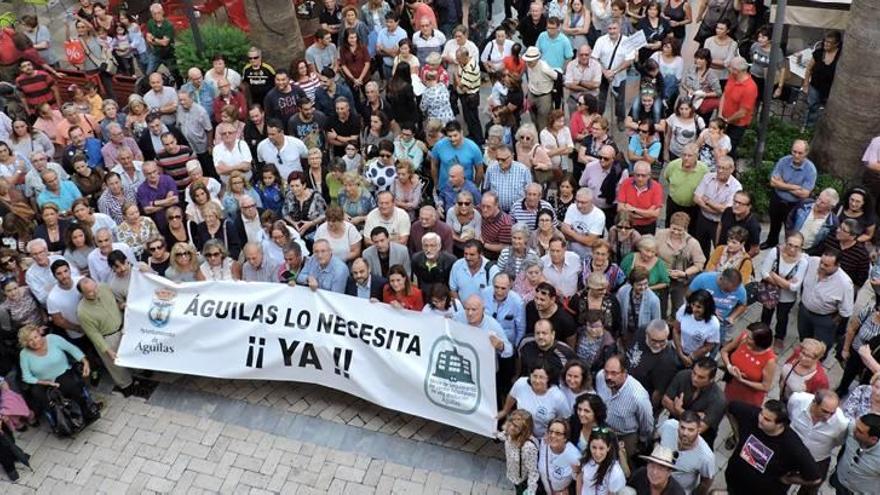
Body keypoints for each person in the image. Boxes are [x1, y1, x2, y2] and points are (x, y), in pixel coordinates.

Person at [725, 399, 822, 494]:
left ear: (780, 424)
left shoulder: (792, 446)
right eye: (761, 414)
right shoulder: (752, 415)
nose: (761, 419)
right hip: (734, 482)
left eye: (767, 419)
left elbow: (815, 478)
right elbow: (730, 407)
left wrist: (788, 480)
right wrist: (738, 435)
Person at [76, 276, 137, 395]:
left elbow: (115, 302)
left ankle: (138, 372)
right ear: (82, 294)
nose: (95, 292)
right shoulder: (82, 311)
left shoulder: (104, 287)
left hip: (123, 328)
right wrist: (107, 350)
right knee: (115, 364)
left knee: (132, 353)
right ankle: (126, 386)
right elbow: (93, 334)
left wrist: (122, 306)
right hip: (108, 338)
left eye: (95, 288)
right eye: (90, 292)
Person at [595, 353, 653, 460]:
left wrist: (642, 440)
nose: (608, 377)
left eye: (614, 373)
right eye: (606, 372)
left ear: (624, 373)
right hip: (603, 428)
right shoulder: (600, 377)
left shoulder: (638, 397)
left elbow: (647, 423)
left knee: (624, 465)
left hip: (625, 435)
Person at [758, 232, 809, 351]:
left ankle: (779, 337)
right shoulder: (775, 252)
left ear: (801, 247)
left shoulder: (803, 262)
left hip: (787, 298)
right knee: (766, 314)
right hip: (769, 292)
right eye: (789, 244)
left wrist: (774, 276)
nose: (792, 249)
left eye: (796, 246)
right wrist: (785, 282)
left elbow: (794, 287)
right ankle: (762, 335)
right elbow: (764, 272)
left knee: (782, 317)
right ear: (785, 242)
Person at [798, 249, 854, 356]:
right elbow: (800, 256)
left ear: (837, 265)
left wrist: (831, 322)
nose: (822, 266)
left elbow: (846, 311)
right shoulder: (813, 261)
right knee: (804, 337)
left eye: (827, 265)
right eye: (821, 262)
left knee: (821, 346)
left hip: (824, 318)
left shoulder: (845, 284)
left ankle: (818, 361)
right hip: (804, 311)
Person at [763, 140, 817, 250]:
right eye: (794, 151)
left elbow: (804, 194)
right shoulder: (783, 161)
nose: (796, 155)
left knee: (791, 228)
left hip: (795, 204)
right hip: (777, 199)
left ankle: (789, 247)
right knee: (774, 223)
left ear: (806, 153)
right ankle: (771, 241)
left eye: (800, 153)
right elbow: (773, 182)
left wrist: (782, 184)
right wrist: (795, 187)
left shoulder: (810, 170)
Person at [662, 357, 726, 446]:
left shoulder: (718, 399)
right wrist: (694, 417)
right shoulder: (683, 376)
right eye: (694, 373)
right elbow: (665, 401)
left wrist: (679, 410)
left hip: (699, 440)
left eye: (701, 377)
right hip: (674, 426)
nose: (695, 378)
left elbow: (700, 429)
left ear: (711, 379)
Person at [655, 212, 705, 316]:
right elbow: (653, 252)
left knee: (678, 307)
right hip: (661, 276)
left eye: (680, 230)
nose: (676, 232)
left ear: (686, 229)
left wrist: (684, 273)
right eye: (673, 228)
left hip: (680, 281)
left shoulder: (692, 243)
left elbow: (699, 264)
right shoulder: (660, 234)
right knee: (660, 305)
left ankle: (675, 325)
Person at [498, 364, 569, 437]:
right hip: (519, 433)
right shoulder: (521, 383)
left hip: (543, 438)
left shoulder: (558, 397)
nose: (537, 381)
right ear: (530, 375)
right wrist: (505, 411)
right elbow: (512, 396)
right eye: (534, 376)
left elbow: (565, 419)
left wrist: (553, 434)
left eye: (541, 377)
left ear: (548, 378)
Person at [692, 156, 742, 256]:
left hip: (720, 223)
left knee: (719, 249)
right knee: (700, 248)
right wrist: (712, 208)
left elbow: (726, 209)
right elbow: (696, 198)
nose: (720, 170)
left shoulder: (736, 186)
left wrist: (708, 201)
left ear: (732, 169)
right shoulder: (708, 177)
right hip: (703, 219)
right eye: (718, 167)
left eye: (724, 168)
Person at [656, 412, 715, 494]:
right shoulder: (668, 426)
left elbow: (706, 482)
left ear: (699, 430)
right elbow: (657, 438)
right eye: (682, 427)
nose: (685, 433)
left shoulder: (706, 457)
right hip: (655, 480)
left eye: (691, 430)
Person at [627, 319, 679, 409]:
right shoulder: (641, 331)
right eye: (654, 340)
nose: (658, 345)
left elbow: (657, 394)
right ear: (646, 334)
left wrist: (649, 409)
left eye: (662, 341)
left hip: (639, 399)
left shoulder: (667, 362)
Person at [593, 20, 636, 131]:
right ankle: (598, 119)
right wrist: (605, 71)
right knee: (601, 98)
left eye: (614, 28)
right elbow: (594, 58)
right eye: (610, 29)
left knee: (620, 99)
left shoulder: (627, 41)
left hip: (620, 75)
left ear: (619, 29)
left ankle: (620, 119)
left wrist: (614, 72)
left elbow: (629, 60)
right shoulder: (601, 40)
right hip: (603, 75)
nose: (612, 31)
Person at [689, 268, 748, 344]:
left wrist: (732, 317)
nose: (728, 293)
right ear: (721, 279)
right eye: (727, 290)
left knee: (714, 346)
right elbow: (689, 296)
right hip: (699, 318)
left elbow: (743, 305)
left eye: (734, 291)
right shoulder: (703, 279)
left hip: (721, 323)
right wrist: (709, 308)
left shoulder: (740, 290)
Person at [801, 31, 841, 130]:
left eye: (829, 42)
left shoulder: (841, 55)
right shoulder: (819, 53)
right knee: (812, 107)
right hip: (815, 85)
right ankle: (807, 128)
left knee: (826, 111)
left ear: (836, 44)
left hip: (830, 89)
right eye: (825, 41)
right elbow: (809, 68)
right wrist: (806, 84)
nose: (826, 44)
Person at [673, 290, 720, 368]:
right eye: (693, 304)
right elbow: (676, 330)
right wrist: (680, 353)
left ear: (707, 308)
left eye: (699, 307)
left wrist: (691, 357)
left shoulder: (714, 323)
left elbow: (709, 346)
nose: (694, 309)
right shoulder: (684, 309)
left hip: (697, 357)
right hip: (677, 350)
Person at [497, 409, 540, 494]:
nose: (511, 427)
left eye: (516, 426)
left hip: (522, 482)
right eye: (511, 422)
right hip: (513, 474)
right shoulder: (509, 433)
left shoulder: (528, 447)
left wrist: (531, 491)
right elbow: (503, 436)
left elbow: (533, 472)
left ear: (524, 429)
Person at [617, 161, 663, 235]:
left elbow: (654, 214)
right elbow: (620, 208)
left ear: (649, 175)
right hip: (628, 225)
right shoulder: (626, 183)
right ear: (633, 174)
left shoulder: (656, 187)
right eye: (637, 175)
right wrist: (646, 213)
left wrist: (633, 210)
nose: (640, 178)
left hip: (647, 227)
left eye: (643, 175)